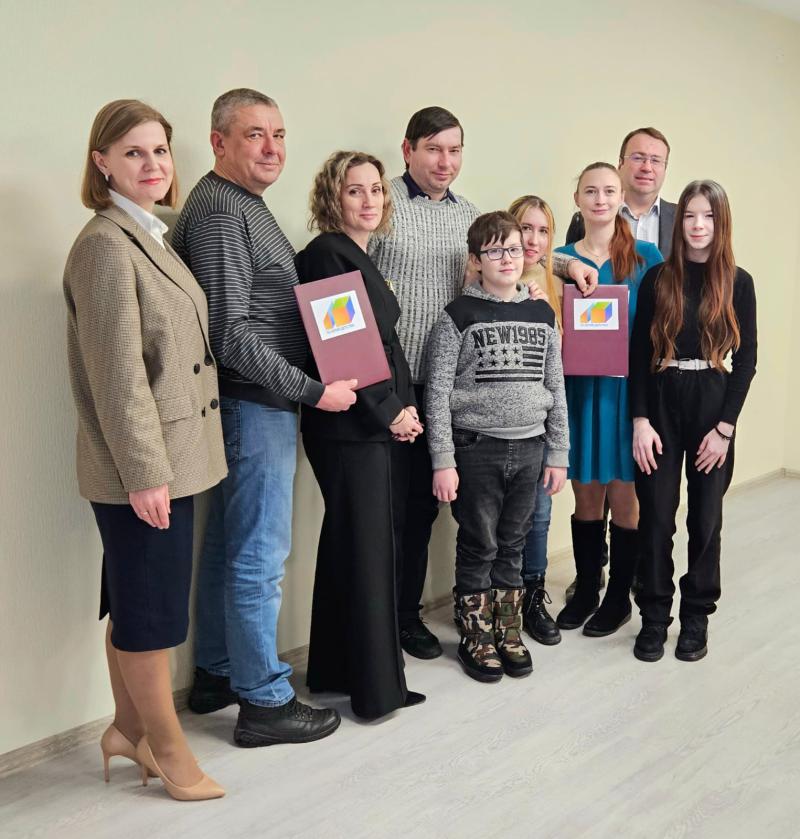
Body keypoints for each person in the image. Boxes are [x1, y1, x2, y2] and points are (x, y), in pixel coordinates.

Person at [369, 106, 597, 660]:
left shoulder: (468, 213)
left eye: (454, 150)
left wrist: (566, 267)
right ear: (408, 150)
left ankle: (425, 618)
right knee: (396, 511)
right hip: (397, 384)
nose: (444, 161)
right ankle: (390, 622)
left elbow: (511, 248)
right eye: (433, 149)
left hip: (455, 387)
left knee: (432, 513)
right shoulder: (384, 204)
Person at [172, 89, 352, 748]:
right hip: (252, 403)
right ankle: (265, 701)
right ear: (218, 142)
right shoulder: (223, 212)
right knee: (259, 556)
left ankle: (219, 672)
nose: (272, 148)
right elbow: (230, 332)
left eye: (278, 134)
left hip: (253, 404)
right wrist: (312, 390)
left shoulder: (241, 203)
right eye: (255, 135)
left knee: (230, 545)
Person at [63, 100, 227, 800]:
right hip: (145, 467)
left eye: (159, 150)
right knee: (151, 617)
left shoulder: (149, 235)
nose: (153, 164)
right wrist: (144, 474)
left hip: (170, 457)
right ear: (102, 162)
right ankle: (166, 747)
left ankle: (127, 730)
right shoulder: (105, 245)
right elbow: (118, 376)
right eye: (133, 152)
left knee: (135, 601)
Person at [295, 150, 426, 718]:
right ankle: (376, 692)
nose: (369, 200)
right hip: (350, 429)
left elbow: (385, 345)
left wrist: (406, 403)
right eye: (355, 190)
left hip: (366, 422)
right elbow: (344, 348)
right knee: (369, 551)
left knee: (349, 547)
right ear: (333, 197)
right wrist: (390, 411)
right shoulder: (327, 254)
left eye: (376, 189)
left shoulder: (357, 255)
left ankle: (333, 672)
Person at [426, 211, 569, 682]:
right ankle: (476, 635)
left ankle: (508, 632)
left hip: (530, 448)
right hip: (476, 448)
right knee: (479, 543)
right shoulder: (458, 316)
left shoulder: (541, 314)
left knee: (513, 544)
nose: (506, 258)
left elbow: (556, 386)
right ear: (476, 260)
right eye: (494, 251)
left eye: (513, 249)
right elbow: (438, 391)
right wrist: (443, 460)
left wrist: (558, 452)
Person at [630, 180, 757, 662]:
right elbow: (638, 355)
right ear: (678, 220)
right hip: (662, 399)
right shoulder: (658, 279)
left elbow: (746, 360)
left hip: (711, 404)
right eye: (689, 215)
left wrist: (725, 428)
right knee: (656, 517)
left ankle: (696, 617)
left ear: (721, 223)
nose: (698, 225)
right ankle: (654, 616)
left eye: (708, 216)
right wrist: (640, 420)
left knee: (705, 520)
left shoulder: (738, 282)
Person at [554, 163, 663, 636]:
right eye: (590, 191)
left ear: (621, 198)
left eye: (608, 191)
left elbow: (663, 322)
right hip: (580, 389)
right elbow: (533, 264)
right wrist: (563, 266)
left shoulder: (646, 256)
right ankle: (586, 588)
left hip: (627, 392)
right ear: (577, 198)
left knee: (624, 496)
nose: (600, 199)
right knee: (585, 495)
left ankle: (619, 597)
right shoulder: (560, 259)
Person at [509, 195, 564, 646]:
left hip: (541, 424)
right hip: (497, 427)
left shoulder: (554, 287)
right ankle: (499, 599)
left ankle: (533, 596)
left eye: (543, 231)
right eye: (525, 228)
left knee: (540, 514)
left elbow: (556, 371)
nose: (533, 239)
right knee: (500, 518)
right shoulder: (487, 279)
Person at [566, 127, 676, 256]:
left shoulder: (682, 218)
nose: (647, 168)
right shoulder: (584, 220)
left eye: (656, 160)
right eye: (638, 158)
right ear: (620, 163)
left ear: (665, 168)